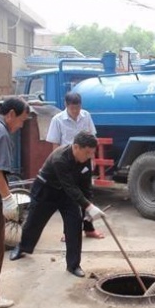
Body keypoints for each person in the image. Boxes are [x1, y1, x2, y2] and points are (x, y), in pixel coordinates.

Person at [10, 131, 106, 278]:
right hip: (46, 190)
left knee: (74, 225)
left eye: (92, 153)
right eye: (87, 153)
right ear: (76, 147)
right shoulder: (59, 158)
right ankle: (22, 247)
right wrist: (88, 206)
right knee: (34, 222)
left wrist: (88, 204)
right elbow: (69, 186)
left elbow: (85, 185)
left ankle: (73, 265)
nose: (89, 157)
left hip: (67, 195)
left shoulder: (85, 158)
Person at [46, 92, 104, 240]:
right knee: (69, 197)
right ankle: (69, 232)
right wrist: (57, 167)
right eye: (73, 108)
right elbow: (55, 145)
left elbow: (93, 138)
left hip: (84, 161)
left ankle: (89, 229)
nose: (76, 111)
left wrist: (93, 158)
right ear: (66, 105)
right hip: (67, 163)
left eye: (78, 108)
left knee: (87, 193)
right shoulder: (57, 120)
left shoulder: (86, 116)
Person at [0, 97, 30, 308]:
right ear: (10, 114)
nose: (20, 126)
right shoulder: (2, 134)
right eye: (21, 121)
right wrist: (8, 198)